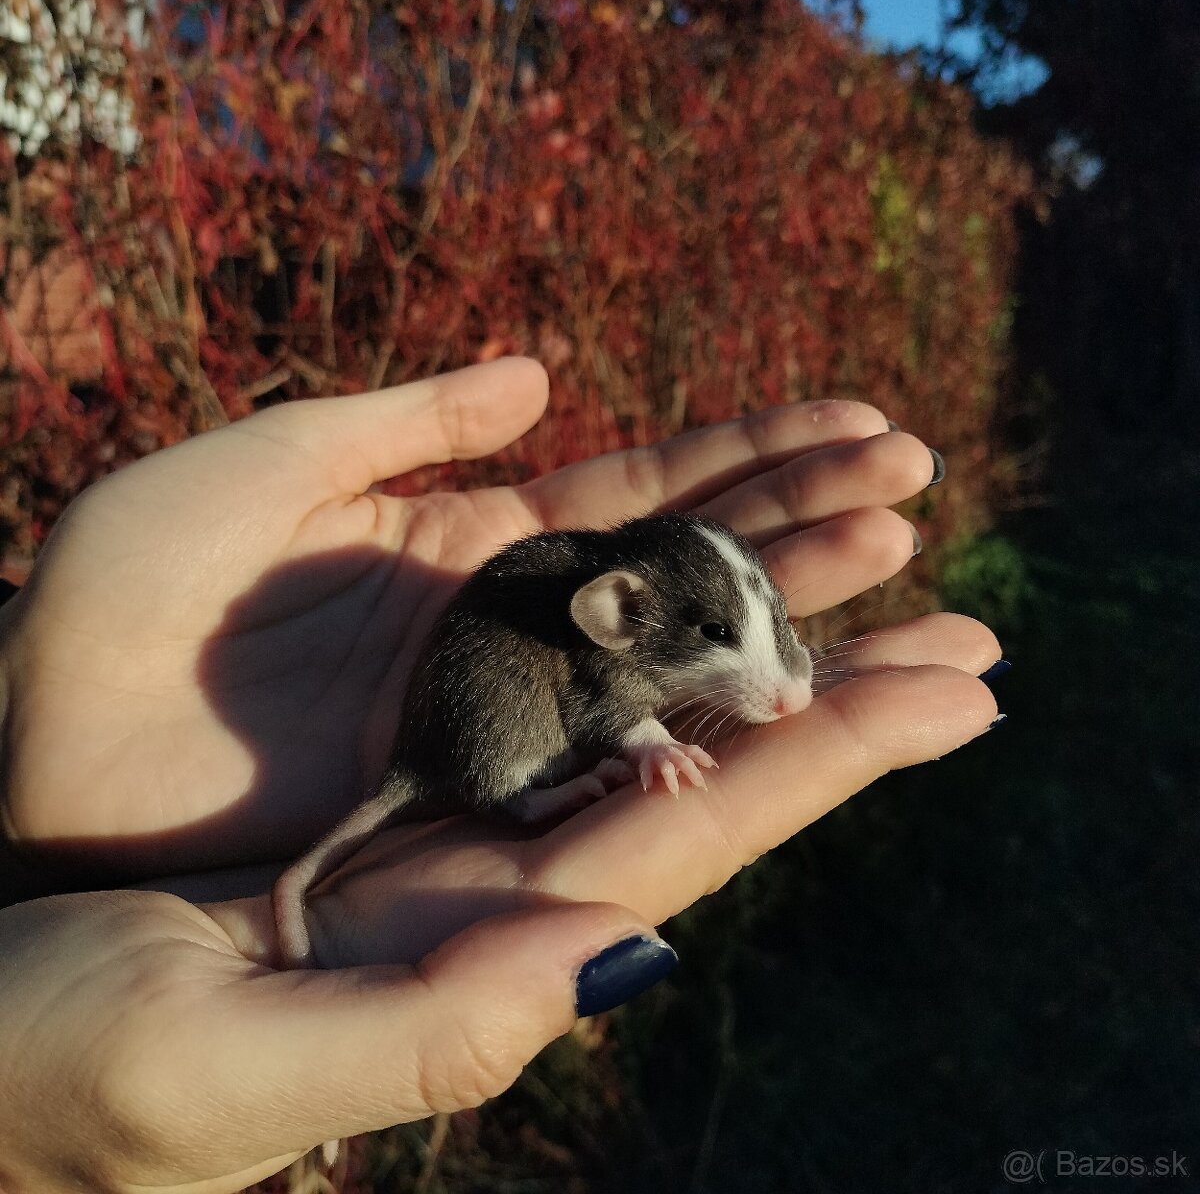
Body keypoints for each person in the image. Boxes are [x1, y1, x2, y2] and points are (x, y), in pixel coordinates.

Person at [0, 358, 1000, 1193]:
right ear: (623, 616)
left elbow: (716, 661)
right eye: (721, 640)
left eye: (774, 627)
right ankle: (516, 791)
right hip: (482, 740)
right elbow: (608, 707)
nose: (784, 684)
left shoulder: (643, 594)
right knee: (525, 741)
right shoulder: (610, 627)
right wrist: (646, 743)